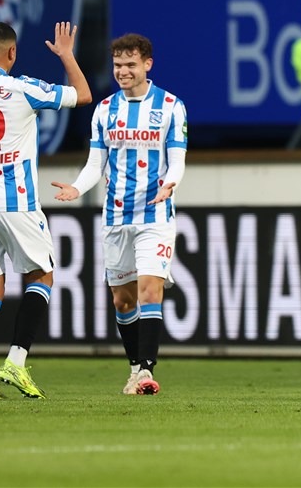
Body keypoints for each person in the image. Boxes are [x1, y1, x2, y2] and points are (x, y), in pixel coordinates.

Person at [0, 21, 92, 399]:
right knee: (42, 277)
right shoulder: (23, 88)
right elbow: (83, 94)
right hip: (16, 203)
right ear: (12, 52)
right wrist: (66, 56)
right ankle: (16, 362)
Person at [52, 33, 187, 396]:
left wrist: (170, 183)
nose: (123, 72)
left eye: (130, 65)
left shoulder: (172, 106)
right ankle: (133, 366)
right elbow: (96, 163)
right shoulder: (105, 110)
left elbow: (177, 161)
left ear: (148, 65)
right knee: (122, 300)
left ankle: (146, 370)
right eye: (117, 66)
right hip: (115, 216)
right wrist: (77, 188)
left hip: (155, 214)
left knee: (149, 289)